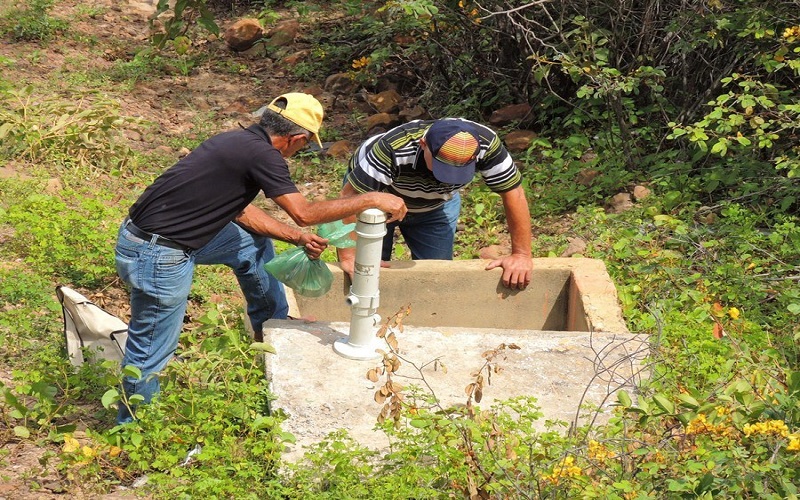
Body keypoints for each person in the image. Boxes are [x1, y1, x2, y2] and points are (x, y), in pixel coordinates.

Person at [114, 92, 406, 424]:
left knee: (252, 242)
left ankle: (272, 325)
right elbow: (305, 213)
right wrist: (372, 197)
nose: (301, 150)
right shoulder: (263, 156)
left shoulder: (235, 142)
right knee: (152, 345)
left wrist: (295, 238)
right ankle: (133, 430)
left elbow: (236, 208)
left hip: (162, 236)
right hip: (159, 253)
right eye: (305, 145)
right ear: (296, 138)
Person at [337, 118, 532, 290]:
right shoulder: (394, 147)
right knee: (367, 268)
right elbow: (348, 199)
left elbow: (514, 194)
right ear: (424, 144)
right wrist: (349, 256)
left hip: (436, 207)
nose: (450, 178)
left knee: (436, 276)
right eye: (443, 167)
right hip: (375, 200)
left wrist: (521, 255)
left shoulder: (486, 145)